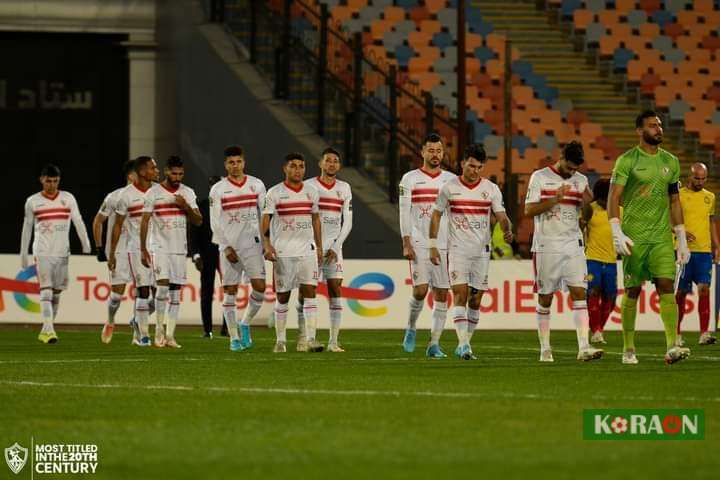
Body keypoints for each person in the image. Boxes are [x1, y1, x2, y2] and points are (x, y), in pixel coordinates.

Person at [608, 110, 691, 365]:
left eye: (660, 125)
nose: (659, 129)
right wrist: (616, 231)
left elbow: (675, 200)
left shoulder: (671, 162)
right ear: (639, 131)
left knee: (666, 286)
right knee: (632, 290)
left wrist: (681, 236)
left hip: (661, 238)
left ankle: (671, 346)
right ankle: (628, 348)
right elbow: (613, 196)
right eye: (653, 126)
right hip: (634, 236)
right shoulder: (627, 160)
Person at [429, 143, 513, 359]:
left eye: (478, 167)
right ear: (462, 164)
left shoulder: (491, 189)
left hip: (482, 251)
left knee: (475, 301)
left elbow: (502, 216)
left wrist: (506, 229)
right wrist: (432, 245)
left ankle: (464, 343)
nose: (474, 171)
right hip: (457, 249)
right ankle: (464, 345)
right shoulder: (449, 188)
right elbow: (436, 214)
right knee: (460, 294)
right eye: (471, 166)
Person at [525, 141, 603, 363]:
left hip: (573, 244)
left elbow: (586, 215)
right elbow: (529, 210)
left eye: (576, 169)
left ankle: (584, 347)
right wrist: (555, 199)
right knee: (546, 297)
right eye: (569, 168)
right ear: (561, 158)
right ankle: (545, 349)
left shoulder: (580, 180)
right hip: (546, 245)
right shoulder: (539, 177)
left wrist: (588, 203)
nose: (572, 173)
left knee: (580, 293)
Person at [398, 133, 456, 358]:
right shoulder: (410, 178)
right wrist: (406, 241)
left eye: (439, 150)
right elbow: (404, 211)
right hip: (419, 241)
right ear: (422, 152)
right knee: (421, 291)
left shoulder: (451, 180)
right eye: (431, 150)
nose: (435, 154)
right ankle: (411, 327)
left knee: (442, 293)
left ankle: (434, 343)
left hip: (444, 244)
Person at [20, 164, 92, 343]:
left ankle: (46, 328)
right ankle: (50, 329)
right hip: (42, 251)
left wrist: (86, 245)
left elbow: (78, 221)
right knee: (46, 290)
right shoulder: (33, 201)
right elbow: (27, 228)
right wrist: (23, 253)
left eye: (55, 181)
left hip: (62, 252)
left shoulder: (68, 198)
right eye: (48, 181)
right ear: (41, 180)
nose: (52, 184)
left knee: (57, 291)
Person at [261, 152, 323, 353]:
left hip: (307, 250)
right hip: (283, 251)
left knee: (310, 292)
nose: (298, 170)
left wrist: (319, 246)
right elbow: (265, 220)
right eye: (293, 166)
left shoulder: (312, 192)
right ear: (285, 168)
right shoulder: (274, 193)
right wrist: (267, 245)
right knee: (283, 297)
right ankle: (280, 341)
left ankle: (310, 339)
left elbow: (315, 219)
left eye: (301, 166)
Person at [209, 145, 267, 351]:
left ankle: (245, 324)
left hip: (252, 245)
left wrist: (266, 242)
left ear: (244, 162)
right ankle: (233, 337)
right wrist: (225, 247)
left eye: (239, 162)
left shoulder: (257, 185)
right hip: (230, 246)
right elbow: (214, 222)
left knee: (260, 288)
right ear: (225, 165)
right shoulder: (218, 189)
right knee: (230, 290)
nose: (235, 166)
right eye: (231, 162)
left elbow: (265, 215)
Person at [140, 155, 202, 348]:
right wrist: (143, 248)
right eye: (174, 173)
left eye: (180, 173)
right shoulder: (154, 192)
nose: (177, 177)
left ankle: (170, 335)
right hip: (159, 247)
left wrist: (185, 207)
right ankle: (158, 330)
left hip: (179, 248)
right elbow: (144, 221)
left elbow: (198, 220)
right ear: (166, 171)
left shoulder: (188, 193)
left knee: (175, 292)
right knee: (162, 287)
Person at [297, 147, 353, 352]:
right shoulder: (308, 186)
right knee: (307, 291)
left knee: (335, 289)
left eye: (335, 161)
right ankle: (306, 337)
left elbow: (348, 221)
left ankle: (333, 341)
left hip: (334, 248)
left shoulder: (344, 188)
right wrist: (312, 245)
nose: (332, 164)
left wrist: (336, 246)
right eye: (328, 160)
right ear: (320, 163)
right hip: (311, 246)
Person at [108, 156, 160, 347]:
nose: (157, 170)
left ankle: (137, 320)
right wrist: (112, 253)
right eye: (153, 168)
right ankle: (143, 336)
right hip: (135, 249)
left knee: (161, 293)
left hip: (158, 249)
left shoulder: (158, 190)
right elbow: (117, 225)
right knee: (143, 290)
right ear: (142, 172)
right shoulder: (126, 195)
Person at [93, 160, 138, 344]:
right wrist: (99, 247)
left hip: (140, 249)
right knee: (117, 295)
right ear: (130, 176)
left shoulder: (152, 194)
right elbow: (98, 221)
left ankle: (138, 327)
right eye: (140, 173)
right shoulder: (114, 197)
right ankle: (111, 321)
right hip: (118, 250)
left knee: (149, 294)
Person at [676, 162, 718, 346]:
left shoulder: (710, 197)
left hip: (703, 251)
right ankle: (676, 333)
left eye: (703, 179)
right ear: (689, 177)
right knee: (681, 294)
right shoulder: (678, 196)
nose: (700, 182)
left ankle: (704, 333)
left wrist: (717, 245)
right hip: (683, 250)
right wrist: (680, 232)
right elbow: (669, 218)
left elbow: (711, 222)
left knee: (704, 290)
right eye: (697, 178)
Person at [581, 178, 620, 345]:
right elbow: (578, 228)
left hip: (611, 261)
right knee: (593, 292)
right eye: (603, 199)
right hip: (591, 260)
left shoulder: (619, 211)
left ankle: (599, 330)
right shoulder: (589, 210)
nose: (605, 202)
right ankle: (596, 330)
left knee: (611, 298)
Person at [190, 175, 223, 338]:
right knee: (207, 291)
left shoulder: (228, 205)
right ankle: (207, 330)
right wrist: (195, 255)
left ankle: (227, 328)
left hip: (225, 251)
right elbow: (194, 232)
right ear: (210, 187)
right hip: (207, 253)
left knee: (230, 289)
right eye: (213, 185)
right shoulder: (201, 206)